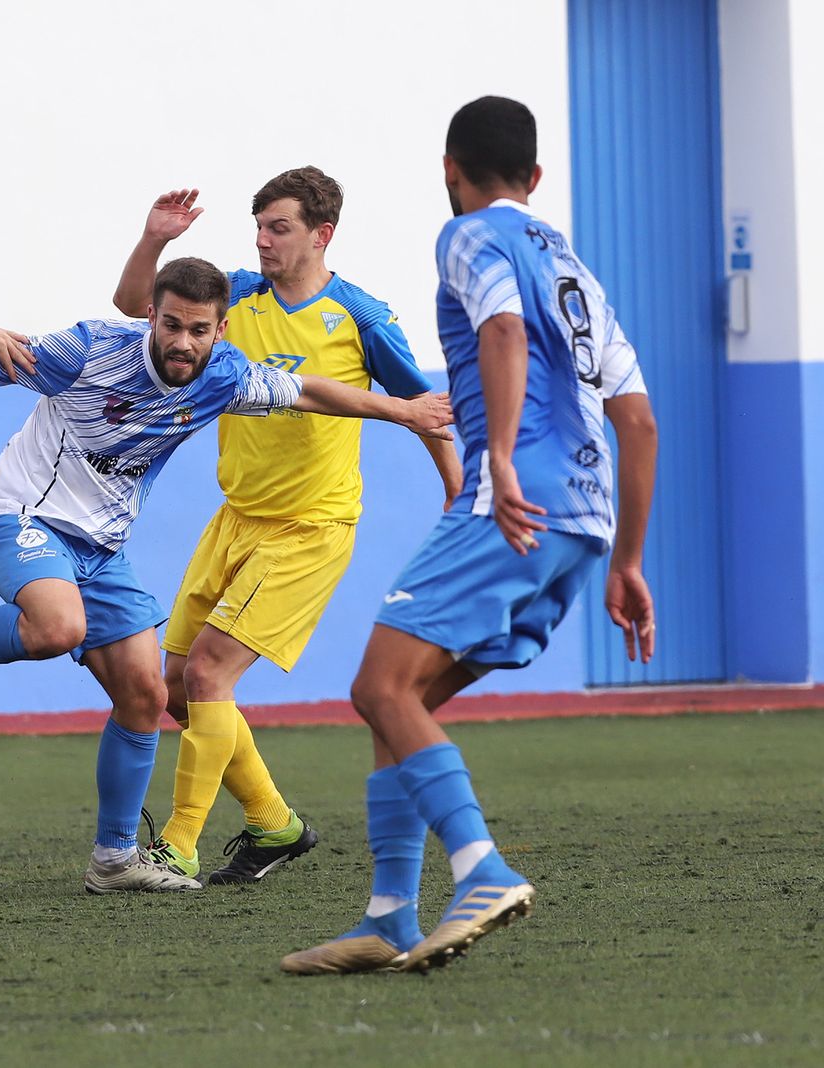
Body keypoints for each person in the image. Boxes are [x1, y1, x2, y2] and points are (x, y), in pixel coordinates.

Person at [0, 257, 454, 894]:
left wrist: (405, 411)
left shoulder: (225, 375)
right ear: (151, 315)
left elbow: (307, 390)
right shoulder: (92, 348)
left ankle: (113, 859)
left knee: (144, 694)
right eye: (172, 325)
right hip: (19, 517)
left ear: (221, 330)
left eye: (199, 329)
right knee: (57, 625)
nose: (183, 342)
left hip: (101, 549)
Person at [280, 96, 657, 975]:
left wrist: (499, 455)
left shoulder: (468, 236)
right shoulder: (575, 269)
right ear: (535, 178)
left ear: (450, 171)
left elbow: (500, 329)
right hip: (585, 527)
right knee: (400, 699)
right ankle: (388, 919)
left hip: (509, 505)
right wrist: (628, 557)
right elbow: (635, 420)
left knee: (378, 686)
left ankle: (480, 869)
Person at [110, 170, 464, 886]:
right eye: (259, 228)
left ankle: (177, 846)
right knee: (175, 685)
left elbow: (422, 407)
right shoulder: (235, 294)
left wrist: (460, 494)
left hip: (310, 528)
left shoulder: (359, 316)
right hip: (235, 519)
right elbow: (132, 304)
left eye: (279, 229)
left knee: (209, 672)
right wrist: (154, 239)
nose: (264, 242)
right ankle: (275, 825)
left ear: (320, 235)